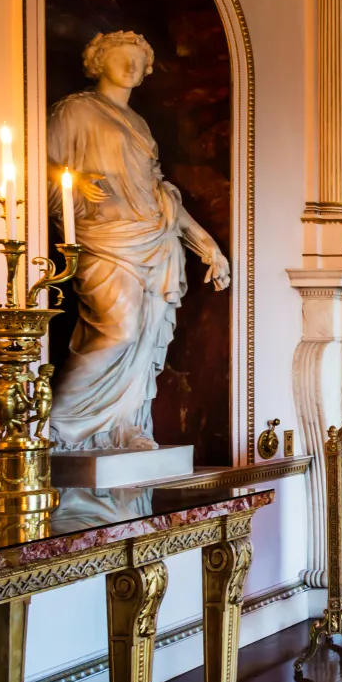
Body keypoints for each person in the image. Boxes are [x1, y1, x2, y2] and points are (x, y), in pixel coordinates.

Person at [45, 30, 229, 452]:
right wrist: (66, 180)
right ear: (98, 61)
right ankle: (57, 424)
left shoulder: (140, 124)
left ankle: (123, 426)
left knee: (144, 340)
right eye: (120, 57)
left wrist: (207, 245)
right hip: (107, 238)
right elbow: (36, 160)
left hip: (157, 239)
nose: (130, 66)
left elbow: (159, 190)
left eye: (138, 61)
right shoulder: (75, 111)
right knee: (118, 331)